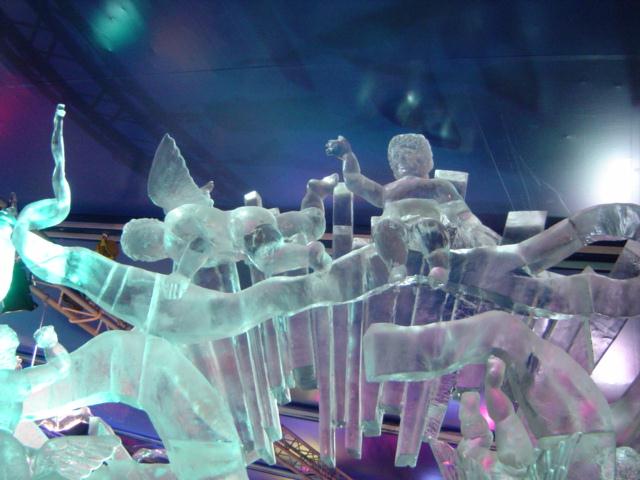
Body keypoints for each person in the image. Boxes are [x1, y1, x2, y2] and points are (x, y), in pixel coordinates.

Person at [120, 134, 338, 299]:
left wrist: (183, 275)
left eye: (147, 257)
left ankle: (311, 255)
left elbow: (202, 243)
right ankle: (315, 193)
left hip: (246, 232)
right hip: (249, 221)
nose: (153, 259)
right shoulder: (177, 213)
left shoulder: (173, 238)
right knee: (313, 226)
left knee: (267, 259)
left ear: (148, 246)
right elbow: (204, 218)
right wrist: (203, 198)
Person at [326, 133, 500, 279]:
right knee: (384, 228)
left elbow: (462, 213)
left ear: (425, 160)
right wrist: (347, 155)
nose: (403, 159)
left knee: (428, 227)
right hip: (396, 233)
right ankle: (397, 268)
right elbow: (355, 181)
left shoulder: (437, 186)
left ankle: (438, 267)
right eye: (398, 156)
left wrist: (478, 230)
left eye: (410, 154)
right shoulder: (386, 192)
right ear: (393, 164)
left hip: (428, 229)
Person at [0, 324, 71, 479]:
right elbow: (61, 367)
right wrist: (51, 344)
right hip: (7, 448)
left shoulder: (14, 381)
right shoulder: (16, 381)